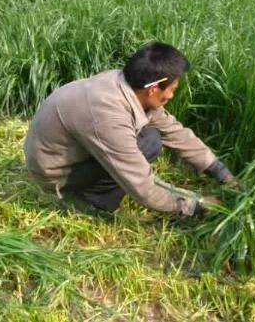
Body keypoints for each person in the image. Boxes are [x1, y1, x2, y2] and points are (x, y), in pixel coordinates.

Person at [24, 42, 238, 216]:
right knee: (147, 144)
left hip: (72, 155)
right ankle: (89, 203)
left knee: (152, 137)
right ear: (154, 89)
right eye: (172, 90)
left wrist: (221, 174)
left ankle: (93, 192)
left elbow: (173, 131)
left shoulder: (128, 84)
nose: (171, 96)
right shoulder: (108, 115)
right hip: (56, 174)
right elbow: (143, 189)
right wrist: (196, 205)